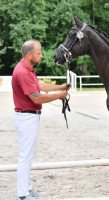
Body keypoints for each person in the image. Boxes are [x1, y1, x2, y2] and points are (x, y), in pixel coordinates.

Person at [12, 39, 69, 200]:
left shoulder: (27, 69)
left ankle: (27, 189)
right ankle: (22, 194)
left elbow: (38, 86)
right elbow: (36, 98)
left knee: (28, 155)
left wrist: (61, 87)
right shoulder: (23, 72)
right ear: (30, 55)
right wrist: (59, 96)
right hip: (27, 116)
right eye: (38, 53)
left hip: (29, 117)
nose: (41, 56)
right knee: (25, 156)